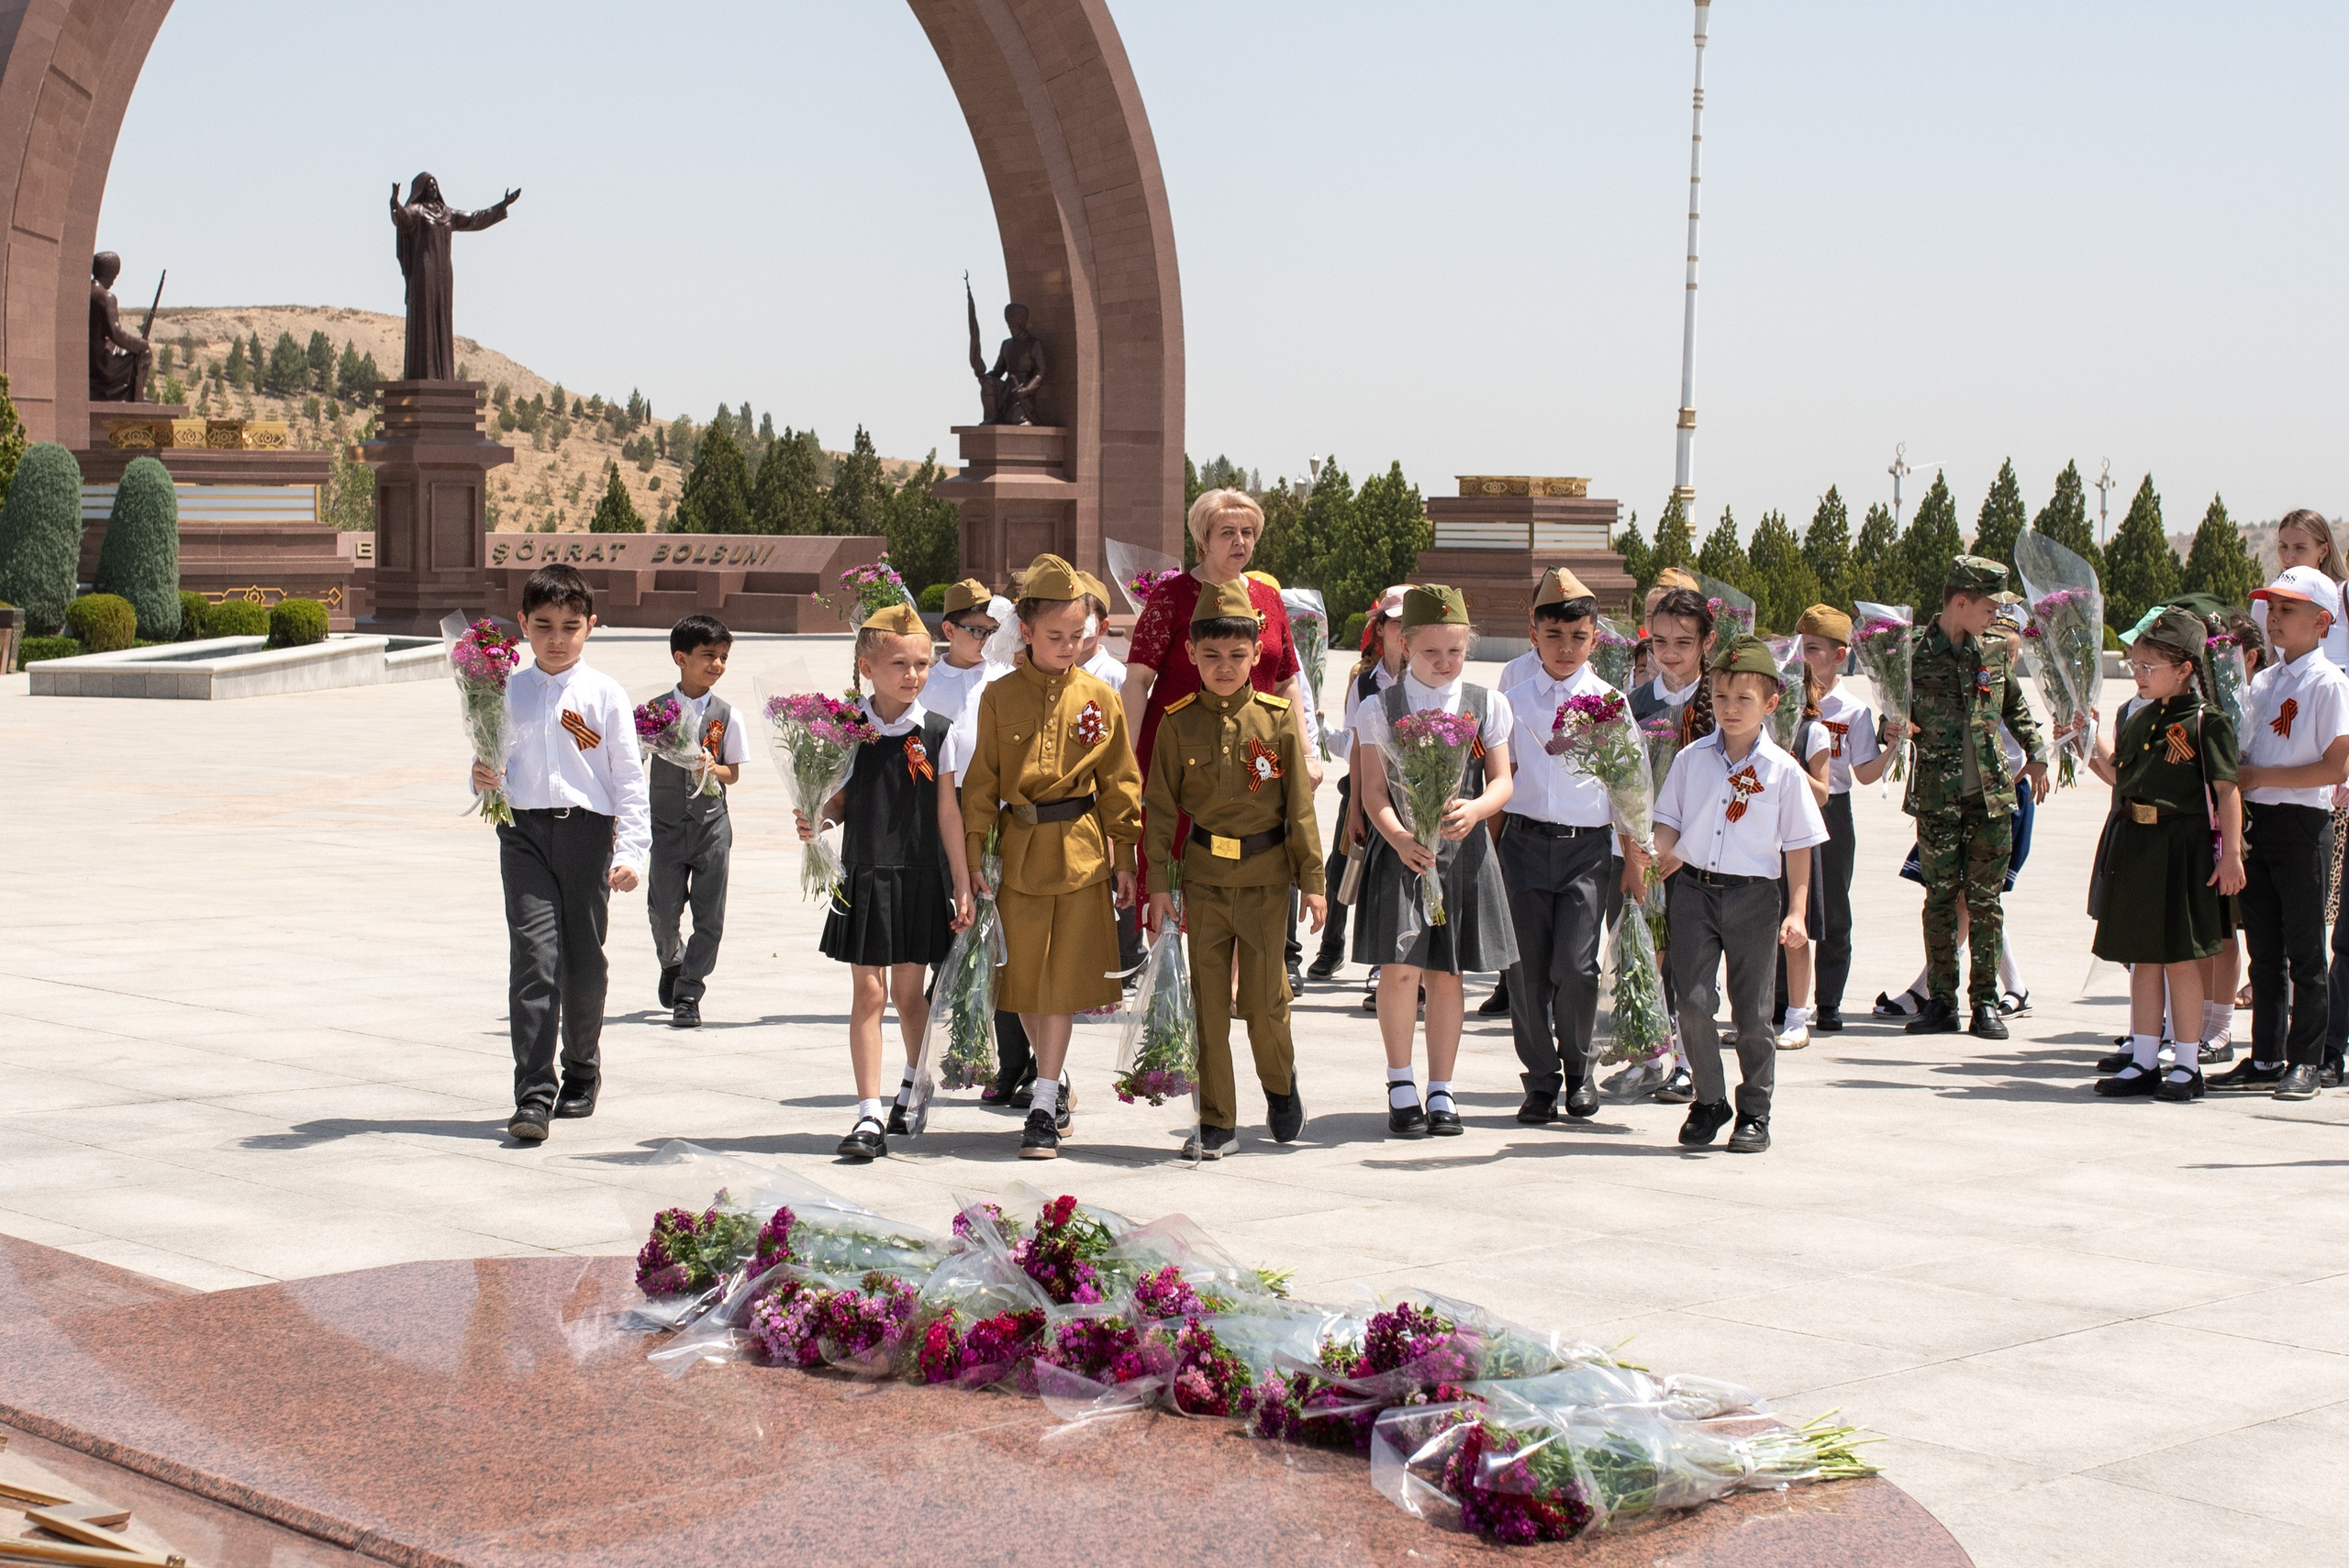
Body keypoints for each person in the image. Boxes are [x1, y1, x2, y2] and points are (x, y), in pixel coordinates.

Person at [958, 554, 1144, 1159]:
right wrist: (974, 861)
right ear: (1028, 632)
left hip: (1082, 852)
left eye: (1077, 636)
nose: (1068, 646)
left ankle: (1041, 1105)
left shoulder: (1100, 697)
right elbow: (982, 786)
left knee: (1059, 986)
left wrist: (1125, 859)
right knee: (1026, 986)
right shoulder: (999, 698)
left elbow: (1121, 782)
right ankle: (1051, 1075)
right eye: (1056, 636)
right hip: (1018, 855)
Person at [1141, 577, 1326, 1158]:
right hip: (1203, 881)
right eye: (1212, 655)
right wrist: (1157, 885)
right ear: (1191, 654)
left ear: (1256, 654)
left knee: (1266, 1002)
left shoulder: (1275, 722)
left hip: (1268, 880)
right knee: (1210, 1003)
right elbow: (1161, 811)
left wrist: (1314, 883)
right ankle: (1217, 1119)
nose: (1225, 667)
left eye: (1238, 655)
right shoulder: (1177, 723)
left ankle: (1280, 1084)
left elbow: (1298, 806)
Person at [469, 564, 649, 1144]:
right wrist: (480, 780)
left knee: (583, 961)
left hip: (586, 836)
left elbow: (627, 780)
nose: (555, 638)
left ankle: (582, 1068)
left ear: (590, 626)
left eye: (569, 626)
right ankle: (533, 1094)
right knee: (534, 958)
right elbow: (492, 763)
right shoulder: (501, 689)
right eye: (542, 625)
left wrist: (633, 851)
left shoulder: (604, 694)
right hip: (521, 834)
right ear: (522, 624)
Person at [1651, 635, 1830, 1154]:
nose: (1730, 709)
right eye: (1722, 697)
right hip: (1694, 893)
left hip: (1753, 897)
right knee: (1691, 1001)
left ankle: (1754, 1109)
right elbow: (1669, 824)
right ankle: (1709, 1100)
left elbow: (1799, 847)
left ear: (1770, 704)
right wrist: (1652, 853)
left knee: (1752, 1014)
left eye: (1743, 699)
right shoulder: (1690, 760)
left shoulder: (1782, 771)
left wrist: (1796, 911)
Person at [1350, 584, 1518, 1138]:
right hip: (1405, 854)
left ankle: (1441, 1088)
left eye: (1456, 652)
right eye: (1431, 652)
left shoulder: (1486, 703)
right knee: (1399, 971)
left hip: (1461, 853)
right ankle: (1401, 1082)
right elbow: (1373, 790)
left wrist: (1476, 810)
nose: (1444, 664)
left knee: (1448, 975)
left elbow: (1501, 781)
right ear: (1403, 643)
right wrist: (1399, 838)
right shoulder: (1379, 707)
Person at [797, 605, 962, 1160]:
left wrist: (962, 880)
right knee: (869, 993)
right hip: (864, 875)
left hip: (917, 877)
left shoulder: (938, 733)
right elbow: (838, 803)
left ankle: (914, 1084)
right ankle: (868, 1114)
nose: (912, 674)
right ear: (867, 666)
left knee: (910, 995)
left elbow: (948, 815)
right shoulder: (846, 732)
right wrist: (814, 817)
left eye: (921, 664)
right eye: (899, 663)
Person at [1498, 568, 1642, 1126]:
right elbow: (1498, 773)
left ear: (1596, 639)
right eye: (1554, 636)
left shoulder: (1608, 702)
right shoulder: (1511, 695)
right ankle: (1539, 1081)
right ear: (1533, 632)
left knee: (1578, 968)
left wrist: (1634, 861)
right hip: (1523, 844)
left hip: (1586, 852)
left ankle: (1579, 1072)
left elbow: (1627, 789)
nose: (1566, 649)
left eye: (1578, 638)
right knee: (1526, 970)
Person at [2084, 608, 2245, 1100]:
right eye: (2136, 664)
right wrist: (2086, 740)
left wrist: (2232, 853)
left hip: (2184, 849)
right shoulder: (2140, 719)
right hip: (2140, 846)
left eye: (2149, 665)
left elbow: (2226, 790)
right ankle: (2145, 1058)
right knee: (2144, 960)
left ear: (2185, 669)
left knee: (2181, 960)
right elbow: (2122, 777)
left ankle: (2189, 1064)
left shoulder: (2206, 722)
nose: (2139, 674)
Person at [1894, 556, 2049, 1040]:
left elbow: (2015, 706)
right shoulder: (1911, 654)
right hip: (1937, 798)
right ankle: (1941, 1001)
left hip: (1990, 799)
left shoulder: (1997, 651)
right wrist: (1890, 728)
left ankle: (1985, 1003)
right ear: (1960, 602)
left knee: (1985, 904)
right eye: (1989, 606)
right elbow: (1893, 714)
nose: (1996, 616)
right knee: (1939, 901)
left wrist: (2037, 752)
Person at [2221, 567, 2349, 1098]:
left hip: (2302, 823)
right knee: (2265, 950)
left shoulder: (2329, 682)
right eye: (2271, 607)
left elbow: (2335, 767)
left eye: (2288, 609)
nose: (2274, 617)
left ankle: (2307, 1059)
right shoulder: (2264, 681)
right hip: (2262, 823)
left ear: (2322, 621)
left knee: (2304, 950)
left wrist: (2261, 777)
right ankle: (2267, 1055)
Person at [1122, 489, 1305, 778]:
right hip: (1181, 761)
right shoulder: (1172, 596)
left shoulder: (1269, 597)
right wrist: (1127, 756)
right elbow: (1137, 681)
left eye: (1248, 532)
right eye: (1227, 532)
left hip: (1255, 760)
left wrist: (1304, 754)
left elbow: (1286, 683)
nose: (1239, 541)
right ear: (1203, 540)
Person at [1627, 585, 1717, 1103]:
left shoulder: (1722, 699)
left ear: (1707, 641)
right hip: (1646, 853)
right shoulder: (1635, 704)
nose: (1670, 652)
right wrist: (1636, 848)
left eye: (1684, 641)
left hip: (1703, 856)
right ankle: (1652, 1054)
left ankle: (1689, 1063)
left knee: (1692, 967)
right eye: (1659, 641)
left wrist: (1680, 848)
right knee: (1649, 956)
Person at [648, 615, 748, 1030]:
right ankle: (673, 962)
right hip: (666, 826)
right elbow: (632, 768)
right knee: (662, 912)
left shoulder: (728, 714)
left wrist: (711, 767)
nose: (717, 665)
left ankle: (689, 991)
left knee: (710, 917)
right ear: (681, 657)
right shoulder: (653, 712)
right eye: (709, 656)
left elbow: (734, 774)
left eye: (723, 657)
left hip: (711, 827)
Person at [1308, 585, 1408, 1000]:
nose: (1405, 634)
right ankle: (1332, 947)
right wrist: (1353, 808)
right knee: (1341, 871)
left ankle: (1388, 964)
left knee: (1394, 881)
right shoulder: (1364, 682)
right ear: (1380, 629)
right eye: (1398, 624)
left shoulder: (1428, 680)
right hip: (1363, 793)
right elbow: (1354, 745)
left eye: (1413, 626)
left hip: (1407, 799)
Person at [1793, 606, 1885, 1033]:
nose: (1803, 657)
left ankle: (1828, 1001)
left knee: (1832, 908)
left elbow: (1864, 774)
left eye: (1813, 649)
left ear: (1840, 656)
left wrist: (1894, 746)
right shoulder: (1784, 698)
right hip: (1788, 810)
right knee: (1782, 902)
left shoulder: (1852, 711)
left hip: (1833, 813)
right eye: (1800, 648)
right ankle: (1781, 998)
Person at [923, 578, 1000, 727]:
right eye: (978, 631)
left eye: (993, 631)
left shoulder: (1007, 676)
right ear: (949, 630)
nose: (987, 640)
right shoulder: (925, 685)